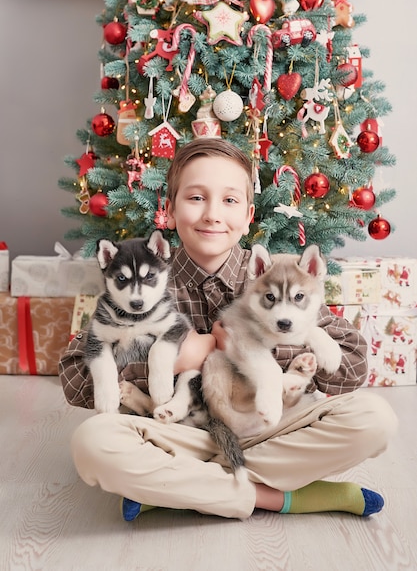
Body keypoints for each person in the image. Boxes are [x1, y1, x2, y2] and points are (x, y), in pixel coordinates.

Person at [60, 138, 398, 522]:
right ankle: (286, 497)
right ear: (168, 211)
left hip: (271, 426)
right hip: (178, 432)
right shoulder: (144, 286)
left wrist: (253, 349)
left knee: (375, 419)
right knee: (92, 443)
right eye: (196, 198)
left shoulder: (276, 278)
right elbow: (73, 377)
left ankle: (180, 489)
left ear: (249, 214)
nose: (212, 215)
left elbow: (352, 368)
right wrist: (173, 359)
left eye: (230, 200)